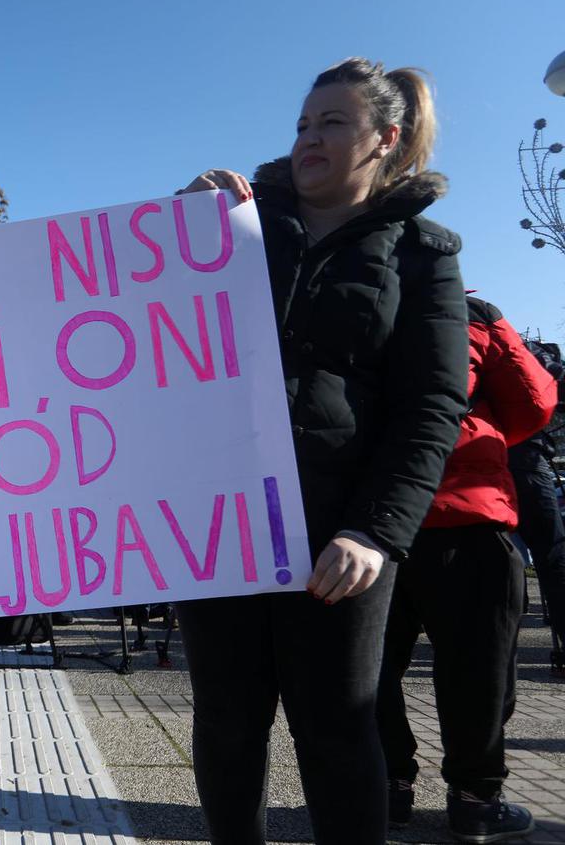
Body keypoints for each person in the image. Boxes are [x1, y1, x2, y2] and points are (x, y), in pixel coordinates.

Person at [173, 58, 470, 843]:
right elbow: (152, 338)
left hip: (339, 535)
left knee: (338, 731)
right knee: (227, 724)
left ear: (386, 138)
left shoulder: (422, 253)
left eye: (333, 123)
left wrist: (375, 529)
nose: (309, 138)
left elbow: (432, 404)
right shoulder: (235, 220)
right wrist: (172, 232)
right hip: (224, 519)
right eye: (304, 123)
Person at [377, 294, 555, 840]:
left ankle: (386, 787)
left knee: (367, 671)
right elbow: (533, 404)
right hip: (468, 513)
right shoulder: (465, 312)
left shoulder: (332, 303)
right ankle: (475, 800)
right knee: (479, 671)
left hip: (368, 521)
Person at [508, 341, 565, 670]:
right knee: (553, 555)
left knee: (499, 555)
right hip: (529, 462)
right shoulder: (532, 358)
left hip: (479, 461)